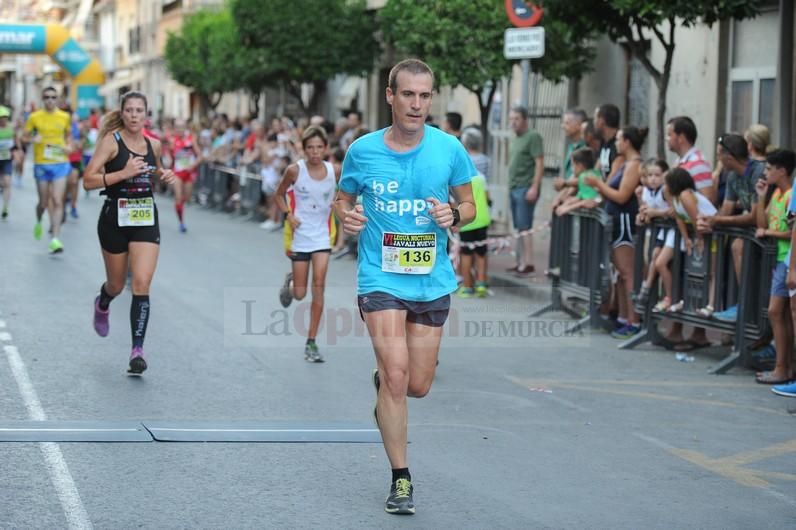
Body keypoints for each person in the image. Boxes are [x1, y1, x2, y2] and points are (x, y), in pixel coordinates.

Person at [334, 58, 476, 515]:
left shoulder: (449, 148)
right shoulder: (362, 150)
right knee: (396, 376)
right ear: (390, 96)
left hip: (431, 279)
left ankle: (387, 388)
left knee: (416, 385)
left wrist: (453, 215)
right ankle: (401, 479)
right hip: (380, 276)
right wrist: (346, 216)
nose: (417, 104)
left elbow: (470, 205)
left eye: (425, 95)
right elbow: (344, 198)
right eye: (408, 94)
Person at [82, 91, 176, 375]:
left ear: (147, 114)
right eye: (130, 110)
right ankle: (104, 301)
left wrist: (164, 175)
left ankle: (137, 350)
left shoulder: (154, 144)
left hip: (145, 217)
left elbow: (154, 170)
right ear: (122, 113)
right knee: (116, 284)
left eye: (140, 111)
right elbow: (88, 180)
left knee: (141, 284)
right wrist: (122, 174)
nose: (135, 115)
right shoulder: (111, 143)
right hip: (114, 218)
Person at [275, 126, 339, 363]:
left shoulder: (335, 171)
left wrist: (340, 205)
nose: (315, 152)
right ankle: (290, 284)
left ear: (326, 148)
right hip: (300, 235)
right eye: (310, 147)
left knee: (319, 285)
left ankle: (311, 341)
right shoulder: (295, 171)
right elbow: (278, 194)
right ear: (304, 149)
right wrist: (288, 215)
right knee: (301, 294)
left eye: (319, 147)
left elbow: (346, 196)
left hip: (322, 236)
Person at [585, 126, 647, 339]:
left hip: (625, 223)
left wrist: (598, 184)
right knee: (621, 273)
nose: (617, 143)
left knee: (628, 272)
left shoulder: (635, 165)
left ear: (628, 142)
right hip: (615, 221)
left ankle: (634, 320)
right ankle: (623, 317)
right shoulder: (624, 164)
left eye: (620, 139)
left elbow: (621, 196)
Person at [754, 149, 794, 384]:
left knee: (776, 311)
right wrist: (761, 197)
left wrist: (768, 231)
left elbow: (792, 231)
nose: (765, 172)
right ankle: (785, 366)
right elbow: (762, 223)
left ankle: (782, 367)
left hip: (788, 258)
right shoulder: (777, 194)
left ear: (782, 170)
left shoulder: (791, 195)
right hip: (780, 259)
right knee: (782, 314)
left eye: (769, 168)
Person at [23, 87, 71, 253]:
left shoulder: (65, 117)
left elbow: (69, 136)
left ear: (57, 99)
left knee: (58, 200)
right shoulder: (34, 117)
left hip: (60, 162)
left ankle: (56, 238)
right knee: (43, 203)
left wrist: (68, 146)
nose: (50, 100)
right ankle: (39, 219)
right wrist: (32, 138)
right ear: (42, 99)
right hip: (41, 163)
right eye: (46, 97)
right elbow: (24, 136)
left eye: (53, 97)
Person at [507, 105, 544, 276]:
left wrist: (534, 187)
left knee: (525, 227)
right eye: (511, 119)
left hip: (525, 187)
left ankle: (528, 263)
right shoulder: (515, 138)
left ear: (525, 120)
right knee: (519, 227)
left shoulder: (533, 136)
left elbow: (539, 162)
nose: (513, 122)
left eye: (517, 119)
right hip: (514, 187)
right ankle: (520, 261)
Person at [170, 119, 201, 232]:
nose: (180, 129)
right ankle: (181, 222)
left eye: (182, 127)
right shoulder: (172, 141)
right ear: (175, 129)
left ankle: (180, 206)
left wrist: (193, 165)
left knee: (186, 198)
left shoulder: (191, 140)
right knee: (178, 197)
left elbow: (200, 156)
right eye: (177, 127)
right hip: (177, 172)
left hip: (189, 173)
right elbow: (171, 157)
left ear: (185, 128)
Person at [0, 106, 14, 219]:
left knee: (7, 182)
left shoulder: (11, 129)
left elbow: (17, 143)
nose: (3, 119)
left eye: (5, 117)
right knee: (2, 183)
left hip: (7, 160)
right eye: (1, 117)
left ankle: (5, 206)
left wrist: (18, 151)